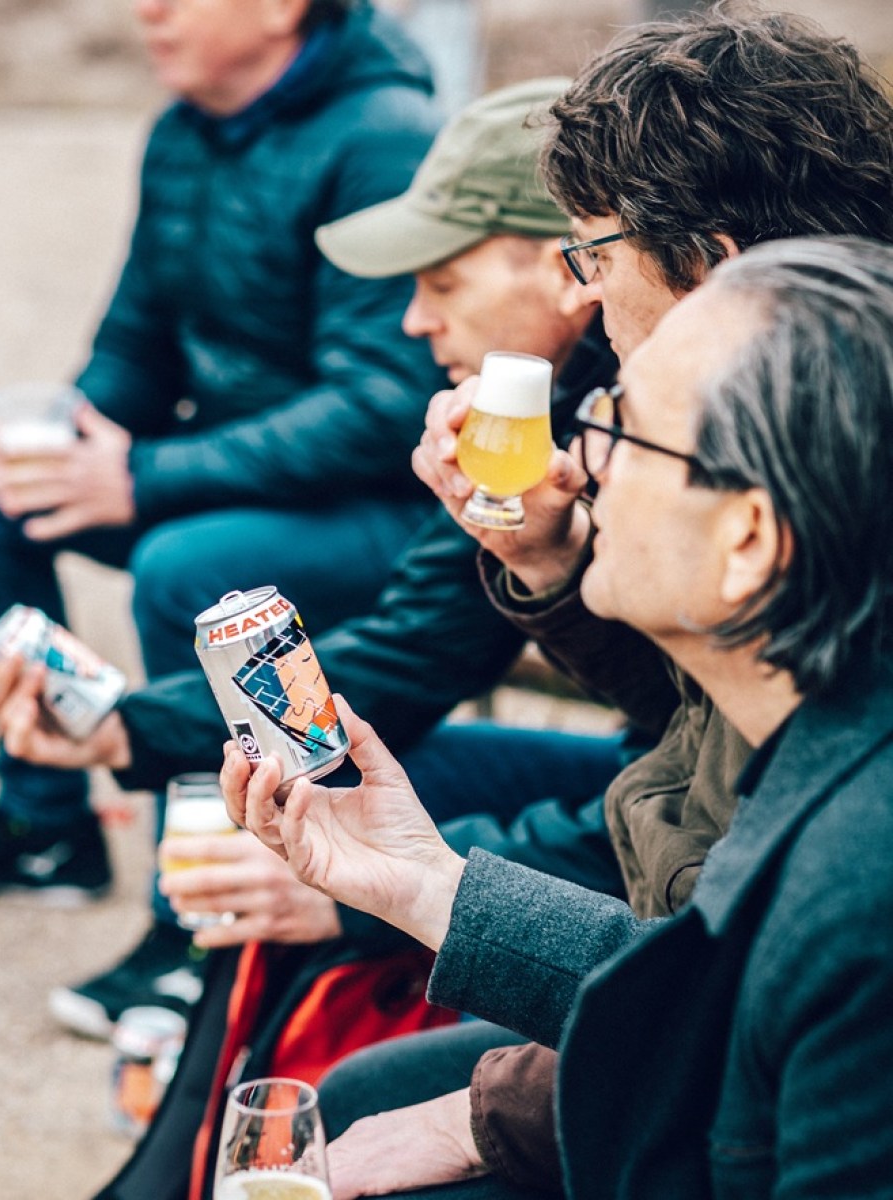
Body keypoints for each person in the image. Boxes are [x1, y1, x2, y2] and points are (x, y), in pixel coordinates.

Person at [283, 11, 893, 1196]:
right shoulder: (773, 437)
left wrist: (493, 1110)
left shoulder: (849, 868)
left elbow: (745, 1004)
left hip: (710, 996)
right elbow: (693, 762)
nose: (583, 309)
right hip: (688, 933)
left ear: (712, 260)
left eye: (589, 255)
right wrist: (561, 567)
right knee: (355, 1090)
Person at [0, 78, 643, 1039]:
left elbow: (682, 805)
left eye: (442, 284)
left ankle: (213, 1029)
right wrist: (122, 730)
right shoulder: (538, 424)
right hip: (644, 789)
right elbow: (418, 646)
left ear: (570, 267)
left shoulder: (642, 426)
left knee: (309, 805)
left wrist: (393, 891)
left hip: (662, 825)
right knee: (315, 789)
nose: (415, 321)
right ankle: (204, 1029)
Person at [0, 1, 446, 907]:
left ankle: (190, 920)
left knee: (190, 569)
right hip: (232, 471)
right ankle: (44, 826)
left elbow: (380, 407)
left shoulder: (386, 137)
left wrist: (140, 478)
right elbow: (136, 344)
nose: (149, 9)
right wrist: (71, 444)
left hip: (378, 503)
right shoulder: (182, 131)